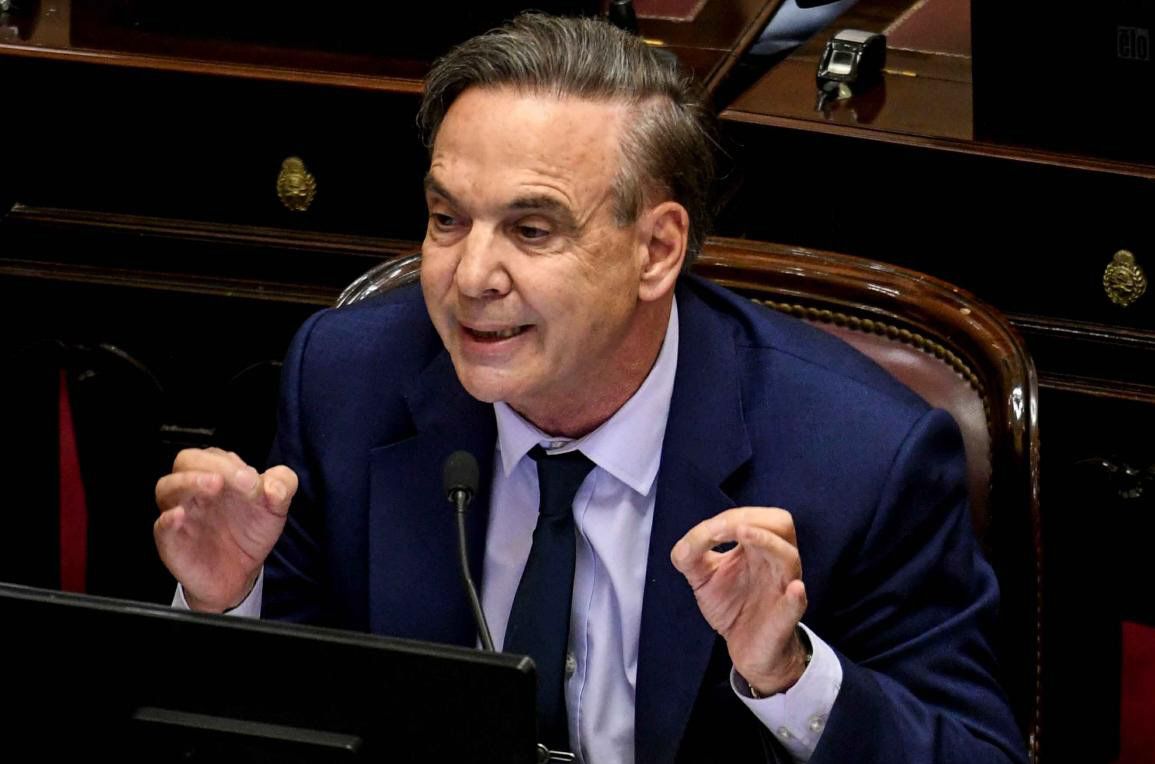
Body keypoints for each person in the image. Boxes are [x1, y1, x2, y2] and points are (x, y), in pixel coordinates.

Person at [154, 14, 1026, 764]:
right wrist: (227, 605)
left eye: (532, 230)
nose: (469, 277)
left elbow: (974, 751)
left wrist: (788, 673)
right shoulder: (351, 383)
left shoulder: (859, 458)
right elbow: (292, 705)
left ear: (656, 250)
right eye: (447, 219)